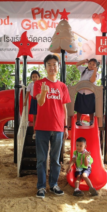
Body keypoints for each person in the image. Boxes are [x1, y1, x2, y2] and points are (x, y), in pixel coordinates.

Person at [33, 54, 71, 199]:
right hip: (42, 127)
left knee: (55, 160)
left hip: (58, 128)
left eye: (55, 64)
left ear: (58, 67)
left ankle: (54, 184)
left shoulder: (62, 86)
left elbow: (65, 108)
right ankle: (41, 187)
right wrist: (43, 92)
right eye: (49, 64)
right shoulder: (39, 83)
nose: (52, 67)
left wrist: (65, 127)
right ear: (45, 67)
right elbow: (40, 103)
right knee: (42, 159)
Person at [74, 58, 101, 126]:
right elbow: (77, 65)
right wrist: (84, 61)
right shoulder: (84, 69)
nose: (91, 65)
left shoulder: (97, 74)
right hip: (81, 92)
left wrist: (95, 71)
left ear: (96, 66)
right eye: (90, 63)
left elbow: (92, 80)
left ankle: (91, 121)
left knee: (90, 108)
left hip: (90, 93)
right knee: (79, 107)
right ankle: (78, 120)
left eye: (93, 64)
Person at [25, 70, 41, 139]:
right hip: (34, 100)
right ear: (31, 78)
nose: (34, 78)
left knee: (40, 117)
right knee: (35, 117)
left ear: (39, 77)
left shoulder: (41, 83)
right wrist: (25, 101)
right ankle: (34, 132)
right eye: (33, 77)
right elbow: (28, 93)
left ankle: (40, 131)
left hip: (40, 100)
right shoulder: (30, 84)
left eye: (36, 77)